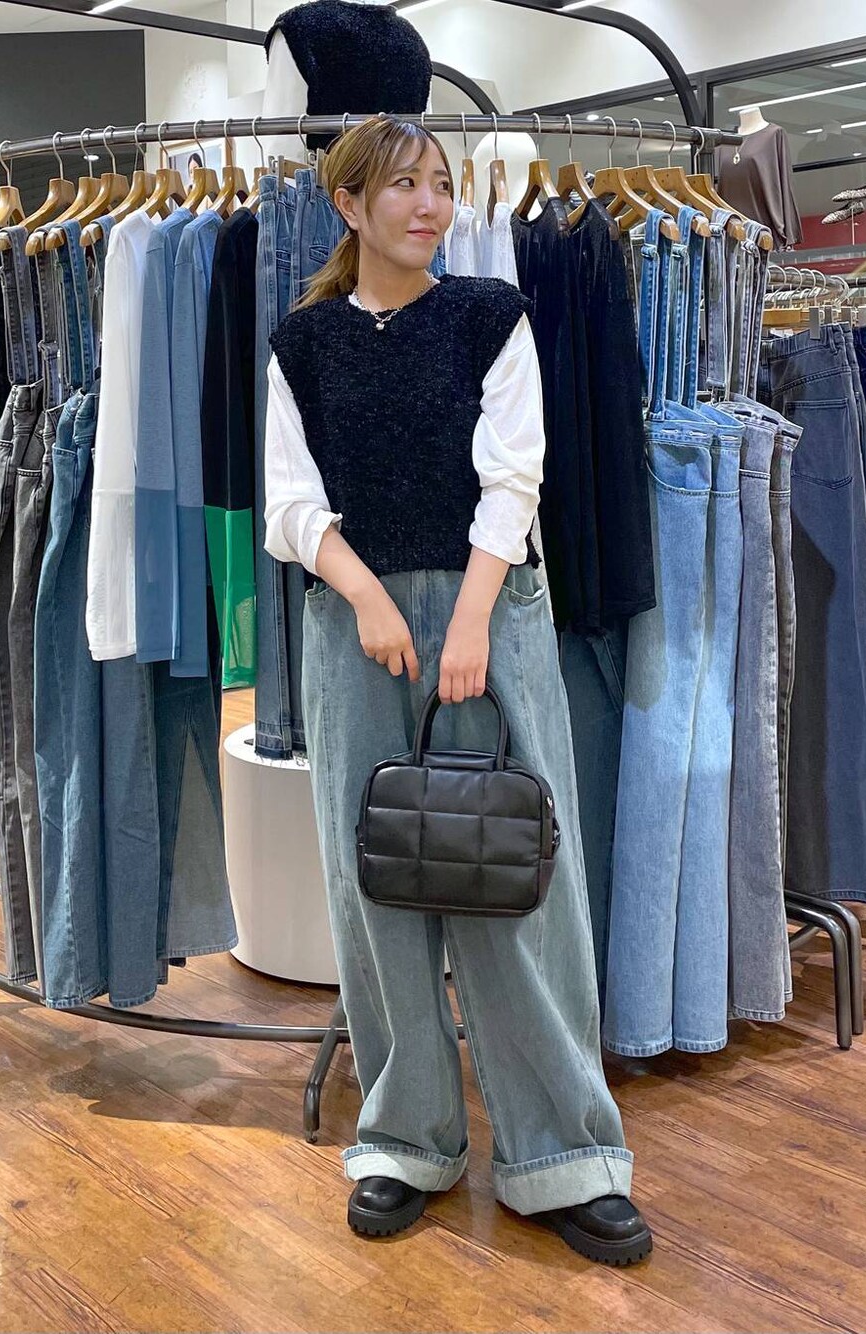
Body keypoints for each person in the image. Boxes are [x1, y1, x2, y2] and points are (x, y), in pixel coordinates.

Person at [263, 113, 652, 1266]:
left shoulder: (491, 314)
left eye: (439, 183)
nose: (429, 204)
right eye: (403, 186)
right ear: (348, 203)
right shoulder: (303, 341)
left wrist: (469, 618)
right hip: (354, 625)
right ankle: (405, 1137)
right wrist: (366, 596)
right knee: (374, 879)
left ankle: (566, 1152)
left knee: (519, 876)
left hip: (492, 609)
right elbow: (289, 501)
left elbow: (513, 475)